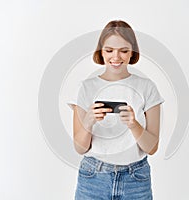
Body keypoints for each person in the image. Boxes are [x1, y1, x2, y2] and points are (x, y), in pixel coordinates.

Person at [71, 20, 164, 200]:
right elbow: (79, 148)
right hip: (93, 179)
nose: (116, 57)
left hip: (136, 180)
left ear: (132, 52)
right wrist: (88, 122)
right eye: (109, 50)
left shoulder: (147, 88)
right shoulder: (85, 88)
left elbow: (152, 148)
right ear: (101, 51)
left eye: (124, 51)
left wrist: (134, 125)